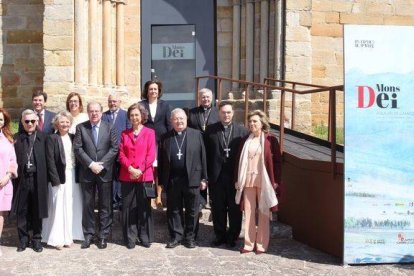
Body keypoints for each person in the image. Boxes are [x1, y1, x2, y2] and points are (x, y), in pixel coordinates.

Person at [158, 108, 207, 249]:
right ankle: (176, 236)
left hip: (193, 178)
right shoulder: (165, 137)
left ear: (186, 120)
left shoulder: (196, 134)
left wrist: (204, 178)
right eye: (176, 119)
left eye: (182, 119)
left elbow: (203, 157)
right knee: (174, 210)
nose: (179, 121)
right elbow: (161, 161)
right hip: (173, 179)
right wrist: (162, 181)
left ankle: (190, 237)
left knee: (192, 210)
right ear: (171, 121)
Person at [235, 110, 282, 254]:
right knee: (248, 213)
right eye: (250, 121)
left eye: (255, 121)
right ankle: (249, 244)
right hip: (248, 180)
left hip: (264, 181)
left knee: (263, 213)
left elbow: (277, 162)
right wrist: (237, 180)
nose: (251, 124)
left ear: (262, 123)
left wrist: (276, 181)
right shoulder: (245, 140)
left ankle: (261, 244)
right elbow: (239, 161)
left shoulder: (270, 140)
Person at [74, 102, 118, 249]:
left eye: (97, 111)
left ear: (101, 112)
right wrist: (91, 164)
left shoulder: (110, 127)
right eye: (91, 111)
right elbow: (78, 148)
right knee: (88, 205)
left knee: (105, 205)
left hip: (105, 172)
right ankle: (89, 235)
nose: (94, 113)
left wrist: (101, 164)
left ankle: (103, 236)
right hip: (87, 172)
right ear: (87, 112)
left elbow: (114, 148)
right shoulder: (81, 128)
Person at [204, 102, 248, 248]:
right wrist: (205, 175)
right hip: (216, 177)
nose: (226, 115)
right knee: (218, 208)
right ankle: (220, 235)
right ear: (219, 113)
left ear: (233, 113)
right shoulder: (210, 130)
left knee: (234, 209)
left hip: (234, 177)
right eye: (223, 112)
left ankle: (233, 236)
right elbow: (205, 154)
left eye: (228, 112)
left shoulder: (242, 131)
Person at [119, 103, 156, 249]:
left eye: (137, 115)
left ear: (142, 116)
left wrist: (139, 170)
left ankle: (145, 236)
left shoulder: (150, 133)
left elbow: (151, 154)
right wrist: (130, 168)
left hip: (144, 175)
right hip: (127, 175)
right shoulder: (124, 133)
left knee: (144, 207)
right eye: (132, 115)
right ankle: (130, 237)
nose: (134, 117)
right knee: (128, 207)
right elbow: (121, 154)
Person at [42, 111, 80, 249]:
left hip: (72, 176)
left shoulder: (73, 137)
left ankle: (68, 237)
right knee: (57, 206)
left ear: (70, 123)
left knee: (69, 206)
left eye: (67, 122)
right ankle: (57, 238)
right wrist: (55, 180)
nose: (65, 124)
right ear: (57, 124)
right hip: (58, 177)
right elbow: (50, 161)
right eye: (62, 122)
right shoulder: (51, 138)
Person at [13, 109, 49, 252]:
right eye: (26, 121)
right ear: (22, 122)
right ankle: (23, 239)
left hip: (38, 179)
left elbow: (50, 160)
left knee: (37, 209)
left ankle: (36, 239)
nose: (29, 124)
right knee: (22, 211)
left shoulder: (44, 138)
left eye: (32, 121)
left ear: (36, 122)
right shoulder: (16, 138)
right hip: (22, 180)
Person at [140, 80, 172, 208]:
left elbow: (168, 124)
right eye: (150, 89)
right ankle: (150, 196)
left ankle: (158, 195)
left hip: (161, 141)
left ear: (159, 91)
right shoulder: (141, 105)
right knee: (149, 168)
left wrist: (170, 138)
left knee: (160, 169)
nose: (153, 91)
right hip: (146, 142)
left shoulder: (165, 105)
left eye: (155, 89)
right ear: (146, 91)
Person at [188, 88, 219, 208]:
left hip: (212, 147)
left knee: (212, 172)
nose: (206, 99)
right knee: (199, 171)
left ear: (211, 98)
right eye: (203, 97)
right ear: (199, 98)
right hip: (197, 147)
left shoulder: (217, 112)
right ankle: (201, 200)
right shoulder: (192, 112)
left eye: (208, 97)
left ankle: (212, 199)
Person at [102, 93, 131, 210]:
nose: (112, 103)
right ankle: (112, 200)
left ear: (119, 102)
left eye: (114, 101)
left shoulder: (125, 115)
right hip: (107, 153)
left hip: (121, 152)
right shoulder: (103, 115)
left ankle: (120, 199)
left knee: (120, 177)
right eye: (110, 101)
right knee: (110, 177)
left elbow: (128, 132)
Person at [65, 92, 87, 241]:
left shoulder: (84, 118)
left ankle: (78, 230)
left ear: (80, 103)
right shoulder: (64, 117)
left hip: (82, 163)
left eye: (76, 101)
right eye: (71, 101)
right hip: (67, 162)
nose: (73, 103)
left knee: (78, 197)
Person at [0, 108, 18, 256]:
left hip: (3, 182)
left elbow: (13, 161)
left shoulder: (8, 139)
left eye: (1, 119)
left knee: (0, 215)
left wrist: (8, 176)